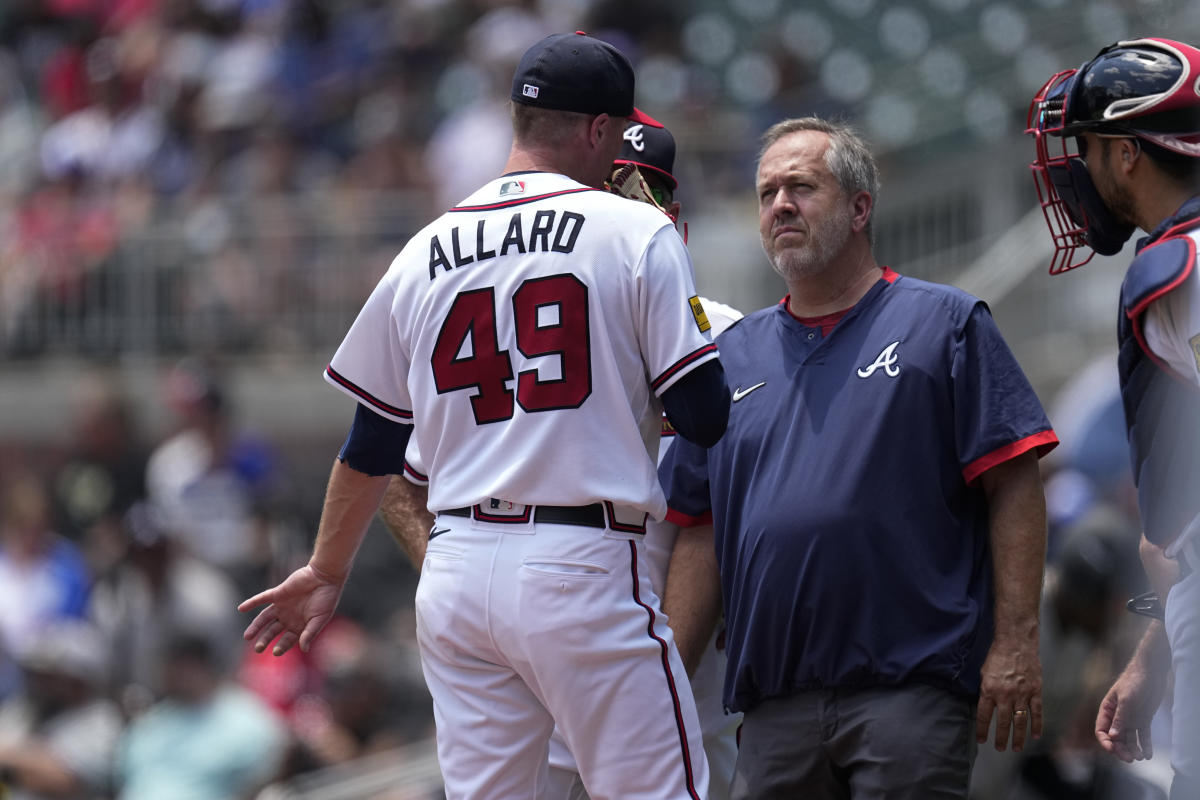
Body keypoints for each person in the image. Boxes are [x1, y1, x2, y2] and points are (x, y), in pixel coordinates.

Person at [240, 32, 729, 799]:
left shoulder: (424, 248)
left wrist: (327, 567)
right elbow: (703, 416)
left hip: (458, 569)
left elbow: (371, 441)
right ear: (600, 130)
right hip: (582, 563)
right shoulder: (636, 231)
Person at [659, 116, 1058, 799]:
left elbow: (1015, 482)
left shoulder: (945, 323)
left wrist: (1016, 645)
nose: (779, 204)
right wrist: (660, 694)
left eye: (801, 187)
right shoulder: (726, 357)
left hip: (909, 692)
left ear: (860, 206)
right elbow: (698, 535)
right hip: (773, 705)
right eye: (766, 193)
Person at [1025, 36, 1200, 800]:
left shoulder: (1180, 263)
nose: (1076, 167)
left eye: (1087, 145)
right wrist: (1155, 650)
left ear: (1128, 153)